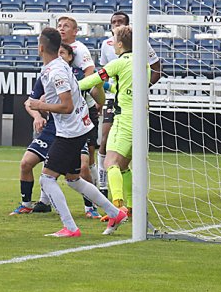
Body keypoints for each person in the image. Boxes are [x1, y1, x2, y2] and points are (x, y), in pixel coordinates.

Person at [24, 28, 126, 238]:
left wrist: (39, 104)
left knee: (47, 179)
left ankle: (69, 227)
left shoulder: (56, 71)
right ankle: (115, 213)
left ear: (41, 47)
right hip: (77, 127)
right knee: (73, 179)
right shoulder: (57, 66)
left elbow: (66, 106)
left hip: (70, 131)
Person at [80, 24, 148, 217]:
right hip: (142, 120)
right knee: (124, 166)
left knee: (111, 163)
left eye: (113, 41)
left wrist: (73, 86)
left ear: (119, 44)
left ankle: (117, 207)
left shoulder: (119, 62)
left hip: (125, 118)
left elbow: (91, 80)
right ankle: (133, 208)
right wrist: (106, 85)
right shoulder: (143, 64)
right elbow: (120, 89)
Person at [96, 11, 162, 192]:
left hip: (133, 104)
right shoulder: (105, 45)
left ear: (128, 25)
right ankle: (103, 184)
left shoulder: (141, 44)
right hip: (113, 99)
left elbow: (157, 69)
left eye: (120, 22)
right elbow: (103, 74)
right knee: (104, 138)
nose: (116, 25)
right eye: (113, 22)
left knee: (131, 150)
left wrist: (140, 88)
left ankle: (131, 191)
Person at [56, 15, 106, 217]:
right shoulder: (55, 49)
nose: (61, 29)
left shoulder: (79, 49)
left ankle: (95, 197)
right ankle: (44, 199)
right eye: (59, 25)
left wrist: (78, 92)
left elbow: (90, 74)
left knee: (89, 157)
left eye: (66, 26)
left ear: (75, 31)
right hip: (65, 111)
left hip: (84, 109)